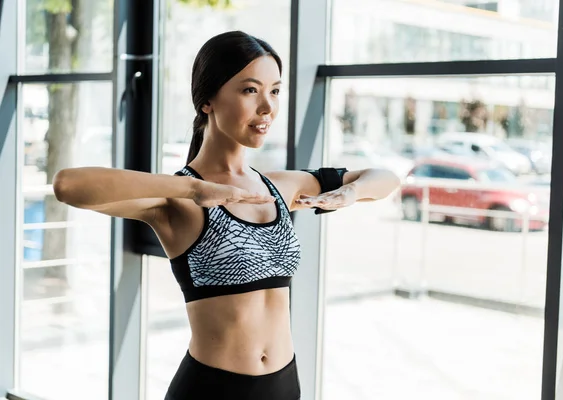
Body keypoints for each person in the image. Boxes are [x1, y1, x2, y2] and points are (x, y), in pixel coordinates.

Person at [52, 30, 400, 400]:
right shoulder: (179, 200)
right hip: (211, 389)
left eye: (275, 90)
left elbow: (385, 177)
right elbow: (68, 185)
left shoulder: (281, 187)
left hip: (284, 385)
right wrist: (193, 188)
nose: (267, 107)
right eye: (250, 90)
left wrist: (350, 193)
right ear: (208, 100)